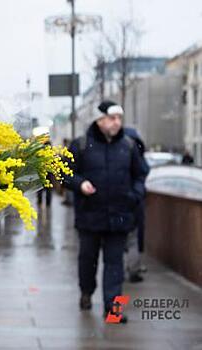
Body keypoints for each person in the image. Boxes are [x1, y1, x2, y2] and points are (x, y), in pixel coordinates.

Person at [63, 100, 147, 323]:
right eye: (112, 118)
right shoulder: (81, 145)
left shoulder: (129, 145)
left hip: (120, 216)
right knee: (87, 260)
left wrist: (135, 196)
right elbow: (64, 174)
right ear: (99, 120)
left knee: (115, 265)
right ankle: (86, 293)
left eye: (119, 118)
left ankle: (114, 311)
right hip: (90, 215)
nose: (117, 122)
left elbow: (140, 175)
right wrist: (80, 184)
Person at [123, 127, 150, 283]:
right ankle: (133, 270)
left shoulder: (117, 152)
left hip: (119, 201)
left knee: (117, 239)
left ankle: (118, 272)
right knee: (133, 238)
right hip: (134, 202)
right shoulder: (138, 154)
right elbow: (144, 171)